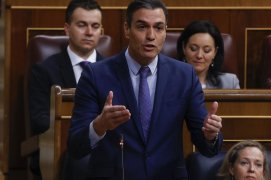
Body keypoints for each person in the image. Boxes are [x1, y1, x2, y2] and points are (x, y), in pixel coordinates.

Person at [68, 0, 223, 179]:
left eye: (158, 28)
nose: (151, 36)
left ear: (165, 31)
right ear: (127, 29)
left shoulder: (184, 75)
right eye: (142, 27)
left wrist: (210, 135)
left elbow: (207, 147)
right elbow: (75, 147)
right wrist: (99, 126)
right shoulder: (95, 74)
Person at [28, 0, 103, 177]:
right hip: (62, 149)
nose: (89, 32)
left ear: (102, 31)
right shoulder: (44, 70)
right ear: (67, 28)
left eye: (95, 26)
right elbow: (39, 120)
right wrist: (87, 131)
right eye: (82, 25)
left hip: (107, 145)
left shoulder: (114, 70)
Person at [176, 20, 240, 89]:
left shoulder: (230, 83)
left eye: (207, 50)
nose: (199, 55)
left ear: (215, 52)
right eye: (193, 48)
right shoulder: (169, 81)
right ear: (184, 48)